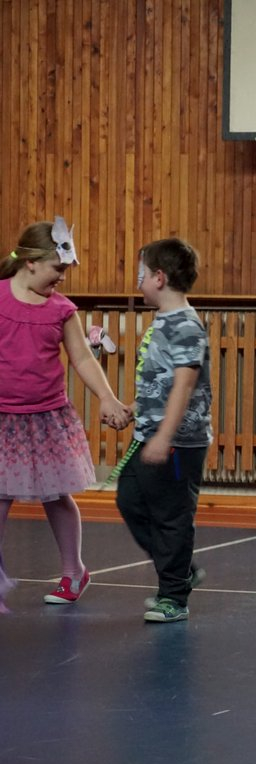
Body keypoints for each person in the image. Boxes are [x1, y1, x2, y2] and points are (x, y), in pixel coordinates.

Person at [0, 219, 131, 612]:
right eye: (57, 269)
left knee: (57, 496)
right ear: (31, 262)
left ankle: (74, 571)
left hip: (47, 418)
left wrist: (107, 398)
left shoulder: (62, 310)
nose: (62, 277)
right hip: (4, 417)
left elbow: (83, 359)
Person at [116, 238, 211, 623]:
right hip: (149, 434)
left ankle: (174, 596)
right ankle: (181, 569)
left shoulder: (186, 325)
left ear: (159, 277)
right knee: (130, 500)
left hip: (177, 443)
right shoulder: (163, 321)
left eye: (140, 274)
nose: (137, 282)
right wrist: (133, 408)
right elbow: (161, 381)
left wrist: (164, 436)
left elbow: (184, 386)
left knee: (172, 517)